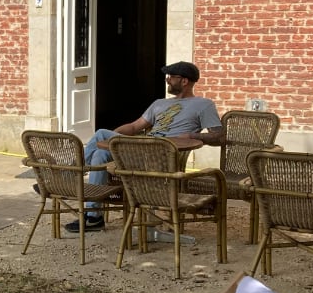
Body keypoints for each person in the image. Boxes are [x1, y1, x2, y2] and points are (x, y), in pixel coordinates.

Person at [61, 62, 223, 233]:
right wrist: (113, 139)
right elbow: (134, 127)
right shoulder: (159, 103)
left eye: (171, 77)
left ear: (184, 81)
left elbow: (219, 137)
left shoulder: (204, 105)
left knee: (101, 133)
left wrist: (192, 136)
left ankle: (72, 173)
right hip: (140, 150)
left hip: (162, 156)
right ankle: (94, 217)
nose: (167, 80)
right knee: (100, 153)